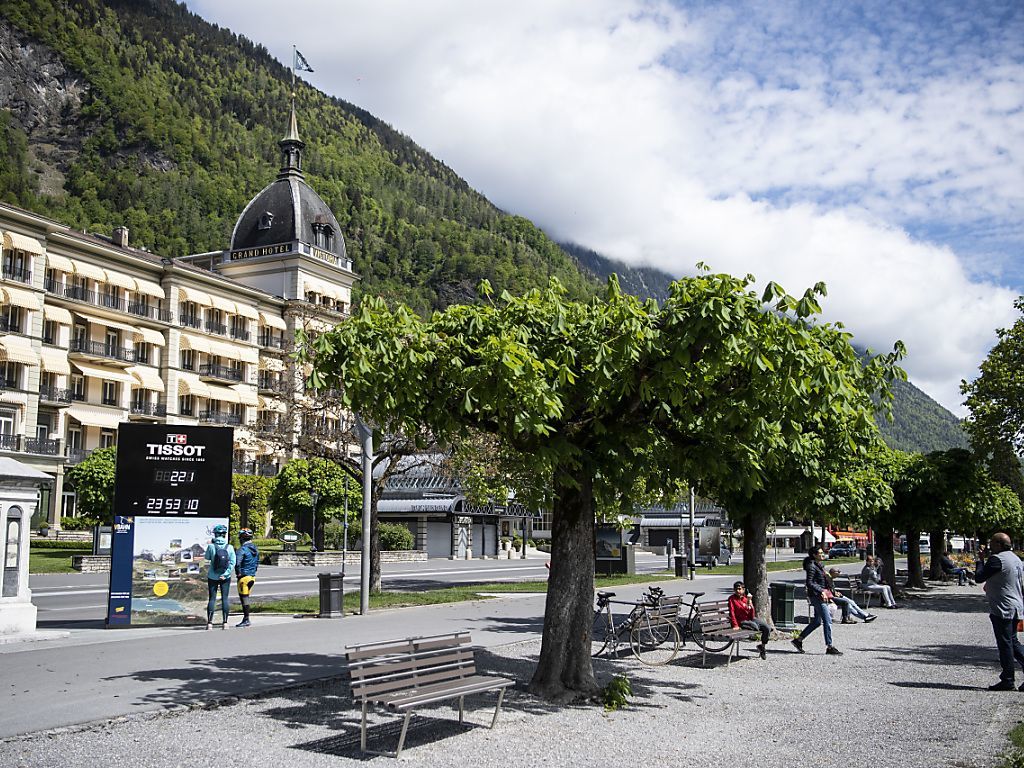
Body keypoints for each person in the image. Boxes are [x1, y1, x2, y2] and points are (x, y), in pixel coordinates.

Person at [974, 532, 1024, 691]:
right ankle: (1009, 678)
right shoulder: (1016, 559)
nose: (989, 545)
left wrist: (980, 560)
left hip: (1003, 607)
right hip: (1016, 605)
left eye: (992, 543)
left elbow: (979, 577)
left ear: (999, 544)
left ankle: (1008, 679)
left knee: (1005, 645)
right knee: (1013, 642)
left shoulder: (998, 559)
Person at [792, 546, 843, 656]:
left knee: (816, 622)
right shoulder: (812, 567)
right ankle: (829, 646)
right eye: (820, 553)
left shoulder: (819, 566)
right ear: (814, 555)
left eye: (822, 552)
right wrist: (821, 591)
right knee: (827, 620)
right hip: (817, 597)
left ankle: (798, 640)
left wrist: (831, 591)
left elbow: (824, 582)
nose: (822, 554)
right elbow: (809, 583)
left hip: (821, 595)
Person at [727, 581, 770, 659]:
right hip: (741, 621)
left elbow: (752, 615)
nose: (738, 591)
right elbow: (732, 612)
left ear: (743, 590)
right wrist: (735, 625)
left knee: (767, 628)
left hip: (750, 619)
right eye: (736, 589)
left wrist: (751, 605)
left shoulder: (745, 599)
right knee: (755, 627)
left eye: (740, 589)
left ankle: (762, 647)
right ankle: (754, 628)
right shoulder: (732, 599)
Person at [205, 524, 236, 630]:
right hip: (225, 577)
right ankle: (225, 623)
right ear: (224, 535)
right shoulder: (230, 547)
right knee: (225, 599)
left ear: (215, 534)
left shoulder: (211, 546)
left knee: (212, 599)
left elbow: (207, 558)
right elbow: (233, 562)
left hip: (212, 576)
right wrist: (226, 574)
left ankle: (209, 623)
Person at [234, 528, 259, 628]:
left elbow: (237, 563)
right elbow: (257, 563)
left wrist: (238, 573)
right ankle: (246, 618)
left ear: (241, 539)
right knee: (247, 598)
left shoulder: (242, 550)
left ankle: (246, 619)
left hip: (243, 578)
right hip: (252, 577)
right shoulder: (255, 549)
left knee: (244, 599)